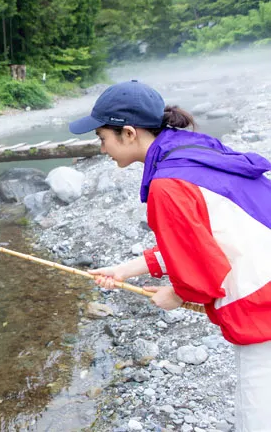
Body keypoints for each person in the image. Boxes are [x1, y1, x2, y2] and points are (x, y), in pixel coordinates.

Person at [68, 80, 271, 431]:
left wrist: (177, 294)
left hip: (263, 308)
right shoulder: (193, 151)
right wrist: (122, 271)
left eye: (102, 138)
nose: (102, 149)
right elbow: (198, 240)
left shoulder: (168, 184)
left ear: (128, 133)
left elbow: (202, 273)